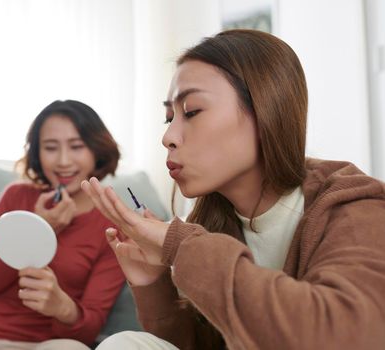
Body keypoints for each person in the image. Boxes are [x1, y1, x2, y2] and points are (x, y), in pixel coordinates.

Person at [81, 29, 385, 349]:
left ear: (267, 109)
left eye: (192, 111)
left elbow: (344, 335)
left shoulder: (354, 207)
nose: (168, 136)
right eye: (169, 117)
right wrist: (152, 283)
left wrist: (180, 246)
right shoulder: (211, 222)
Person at [0, 100, 125, 350]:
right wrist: (38, 230)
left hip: (49, 344)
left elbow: (89, 330)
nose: (63, 161)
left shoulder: (112, 227)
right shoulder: (17, 196)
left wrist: (64, 307)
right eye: (50, 147)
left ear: (97, 151)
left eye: (77, 146)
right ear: (37, 153)